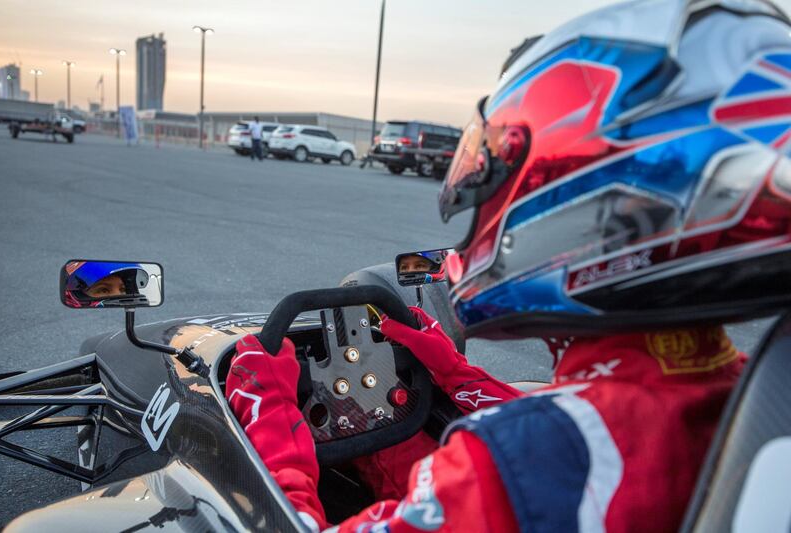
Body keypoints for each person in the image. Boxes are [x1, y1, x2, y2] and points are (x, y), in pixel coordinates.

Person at [227, 1, 791, 531]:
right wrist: (456, 379)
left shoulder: (525, 459)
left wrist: (270, 416)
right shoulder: (747, 391)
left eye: (497, 181)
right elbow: (601, 416)